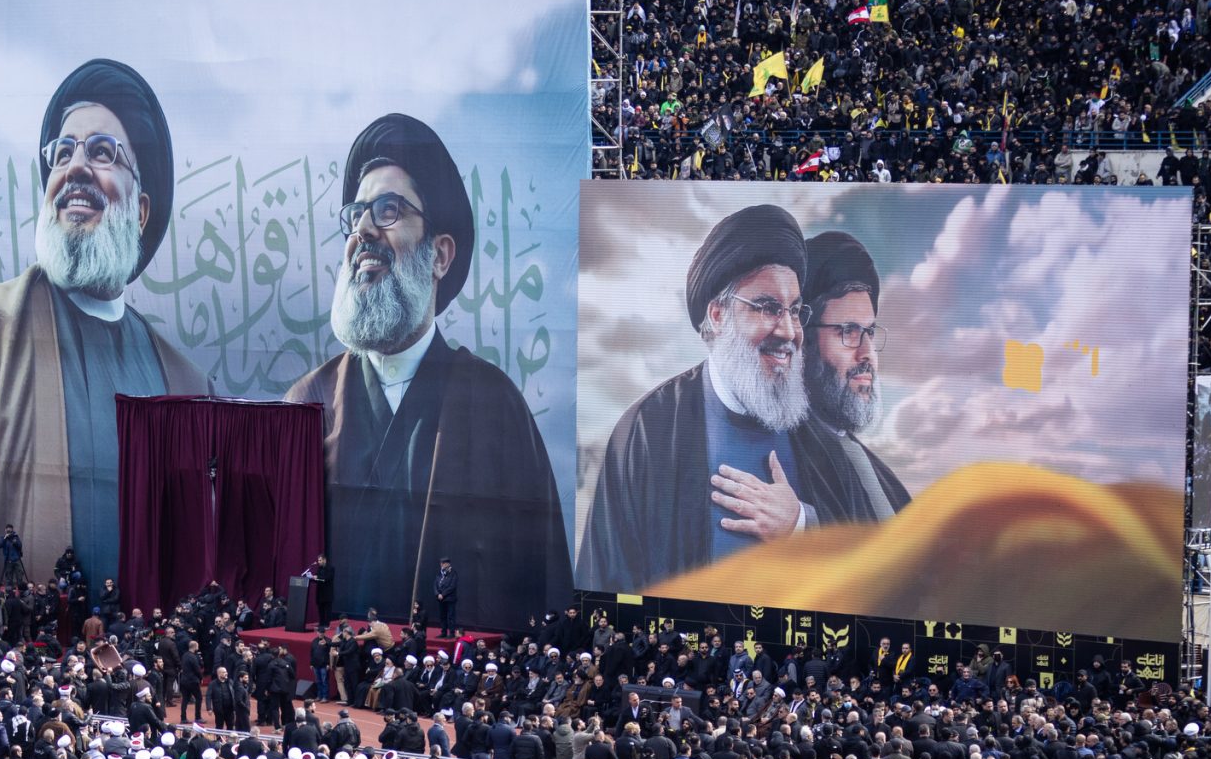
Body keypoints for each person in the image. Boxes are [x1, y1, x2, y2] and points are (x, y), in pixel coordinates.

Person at [0, 58, 207, 583]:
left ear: (142, 211)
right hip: (20, 645)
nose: (75, 168)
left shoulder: (184, 381)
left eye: (102, 152)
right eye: (63, 152)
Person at [285, 113, 568, 629]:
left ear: (439, 255)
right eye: (357, 215)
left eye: (388, 210)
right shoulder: (307, 403)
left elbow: (538, 579)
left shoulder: (494, 404)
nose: (364, 231)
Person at [579, 203, 834, 594]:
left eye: (795, 310)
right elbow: (608, 582)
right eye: (768, 307)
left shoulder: (818, 436)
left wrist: (801, 524)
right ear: (717, 315)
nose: (788, 330)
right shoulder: (648, 430)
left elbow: (880, 553)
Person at [793, 231, 914, 524]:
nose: (867, 353)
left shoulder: (885, 480)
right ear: (803, 340)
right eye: (848, 331)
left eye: (869, 332)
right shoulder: (777, 453)